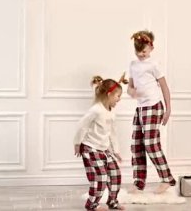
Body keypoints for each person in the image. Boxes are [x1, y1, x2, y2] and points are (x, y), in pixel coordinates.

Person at [127, 30, 176, 194]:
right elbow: (130, 87)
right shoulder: (133, 65)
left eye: (144, 51)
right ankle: (139, 182)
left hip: (154, 106)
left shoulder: (153, 65)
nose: (141, 54)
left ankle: (166, 178)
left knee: (151, 144)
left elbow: (164, 87)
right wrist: (132, 92)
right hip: (141, 108)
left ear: (151, 48)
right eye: (138, 51)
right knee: (137, 145)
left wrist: (168, 109)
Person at [74, 74, 128, 211]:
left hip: (104, 149)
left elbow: (113, 133)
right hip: (90, 148)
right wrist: (77, 143)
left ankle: (112, 201)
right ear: (110, 94)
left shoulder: (111, 112)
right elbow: (82, 125)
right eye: (118, 96)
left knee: (115, 174)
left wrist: (116, 151)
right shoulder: (96, 109)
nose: (119, 99)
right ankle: (92, 204)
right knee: (101, 176)